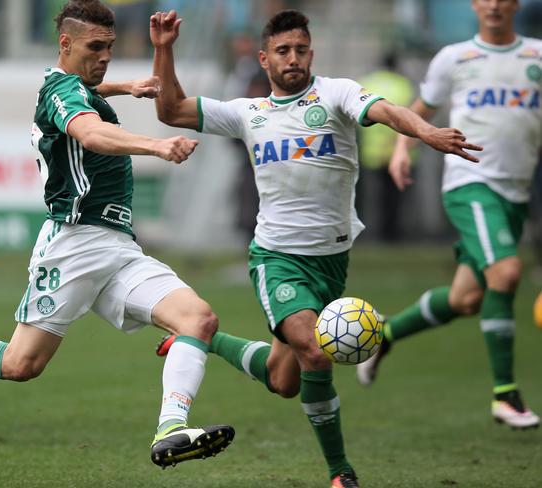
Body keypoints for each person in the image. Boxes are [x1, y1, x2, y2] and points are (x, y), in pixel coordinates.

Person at [0, 0, 235, 468]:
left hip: (118, 246)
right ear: (65, 43)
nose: (105, 56)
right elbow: (91, 134)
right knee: (21, 365)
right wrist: (156, 144)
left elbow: (86, 89)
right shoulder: (62, 95)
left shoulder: (76, 86)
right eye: (95, 47)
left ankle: (170, 429)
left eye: (110, 47)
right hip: (72, 245)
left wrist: (124, 85)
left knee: (198, 319)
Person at [149, 9, 481, 487]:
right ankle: (340, 472)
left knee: (284, 381)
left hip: (331, 262)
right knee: (318, 352)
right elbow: (170, 109)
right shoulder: (249, 113)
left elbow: (384, 110)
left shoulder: (337, 93)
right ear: (264, 59)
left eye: (301, 50)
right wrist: (163, 49)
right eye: (283, 51)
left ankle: (202, 339)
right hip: (276, 259)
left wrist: (425, 132)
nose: (293, 59)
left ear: (311, 52)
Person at [357, 0, 541, 430]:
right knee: (507, 271)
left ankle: (384, 336)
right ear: (475, 4)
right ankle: (505, 395)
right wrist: (403, 147)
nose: (494, 5)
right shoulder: (454, 58)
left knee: (466, 299)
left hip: (515, 190)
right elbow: (422, 110)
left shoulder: (536, 55)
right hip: (471, 183)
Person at [357, 52, 415, 241]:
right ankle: (393, 233)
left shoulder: (368, 82)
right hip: (396, 151)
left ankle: (373, 231)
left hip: (372, 152)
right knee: (395, 196)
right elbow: (410, 117)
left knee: (373, 196)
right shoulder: (403, 85)